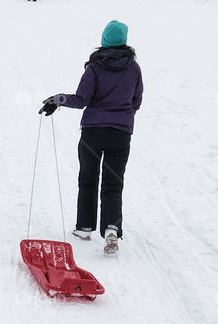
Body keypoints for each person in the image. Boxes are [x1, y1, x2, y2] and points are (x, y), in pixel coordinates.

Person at [40, 20, 143, 255]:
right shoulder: (134, 69)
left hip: (93, 133)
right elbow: (136, 101)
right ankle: (111, 229)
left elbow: (81, 99)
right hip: (121, 134)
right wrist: (122, 116)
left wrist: (57, 100)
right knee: (113, 183)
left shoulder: (95, 68)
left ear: (104, 41)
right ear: (124, 41)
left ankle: (85, 227)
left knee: (88, 178)